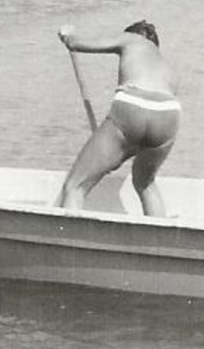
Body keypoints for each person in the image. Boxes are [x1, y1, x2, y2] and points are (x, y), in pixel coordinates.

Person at [57, 19, 180, 217]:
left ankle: (67, 243)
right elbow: (146, 124)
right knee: (145, 183)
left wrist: (67, 35)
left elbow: (77, 44)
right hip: (169, 113)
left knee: (75, 186)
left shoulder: (133, 39)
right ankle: (157, 243)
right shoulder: (167, 67)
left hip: (133, 106)